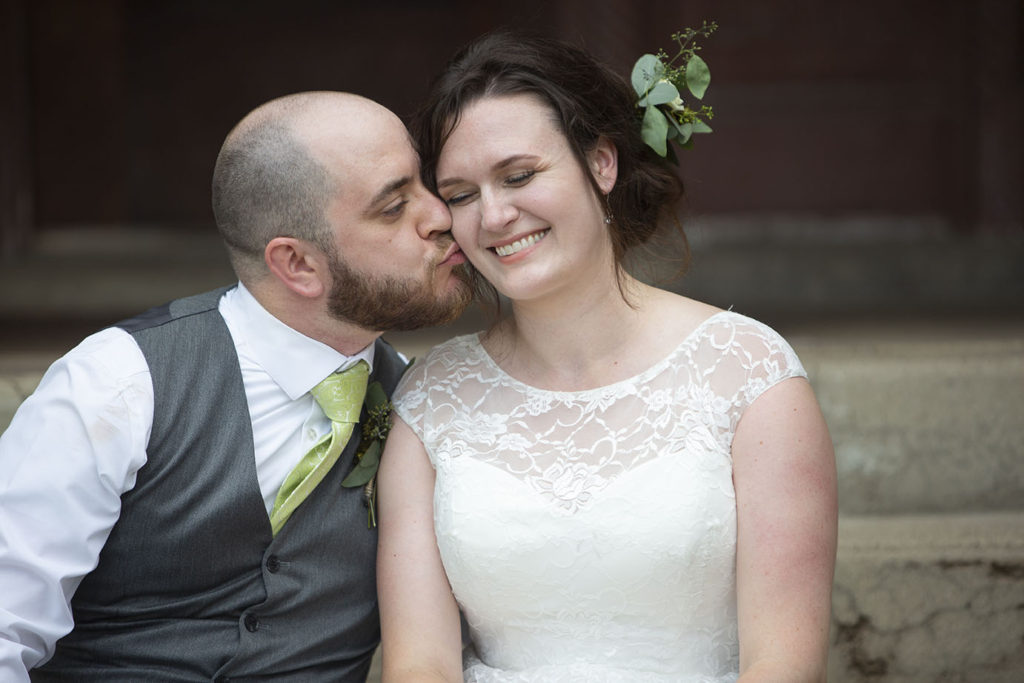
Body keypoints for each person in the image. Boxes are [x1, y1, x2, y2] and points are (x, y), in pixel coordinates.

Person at [377, 32, 838, 682]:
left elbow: (784, 661)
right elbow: (419, 662)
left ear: (601, 163)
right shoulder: (432, 399)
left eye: (519, 175)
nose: (495, 214)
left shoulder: (751, 374)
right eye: (460, 193)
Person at [0, 91, 471, 681]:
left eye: (426, 184)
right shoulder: (119, 385)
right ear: (297, 265)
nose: (442, 216)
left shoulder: (424, 402)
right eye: (394, 206)